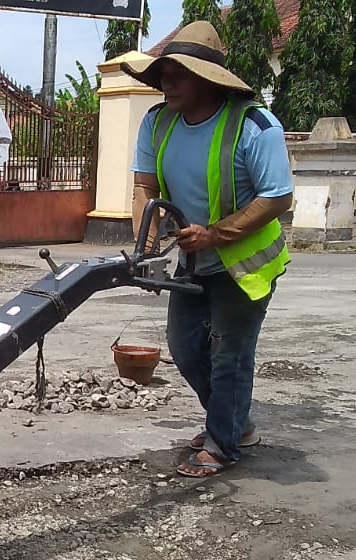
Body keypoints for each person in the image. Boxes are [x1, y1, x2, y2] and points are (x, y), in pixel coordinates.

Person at [121, 21, 293, 478]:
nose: (167, 82)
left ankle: (222, 443)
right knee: (184, 347)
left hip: (246, 262)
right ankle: (234, 424)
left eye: (179, 73)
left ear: (209, 78)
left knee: (228, 351)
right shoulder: (158, 123)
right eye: (163, 73)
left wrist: (216, 234)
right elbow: (145, 187)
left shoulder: (255, 126)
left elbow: (277, 197)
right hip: (193, 258)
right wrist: (148, 250)